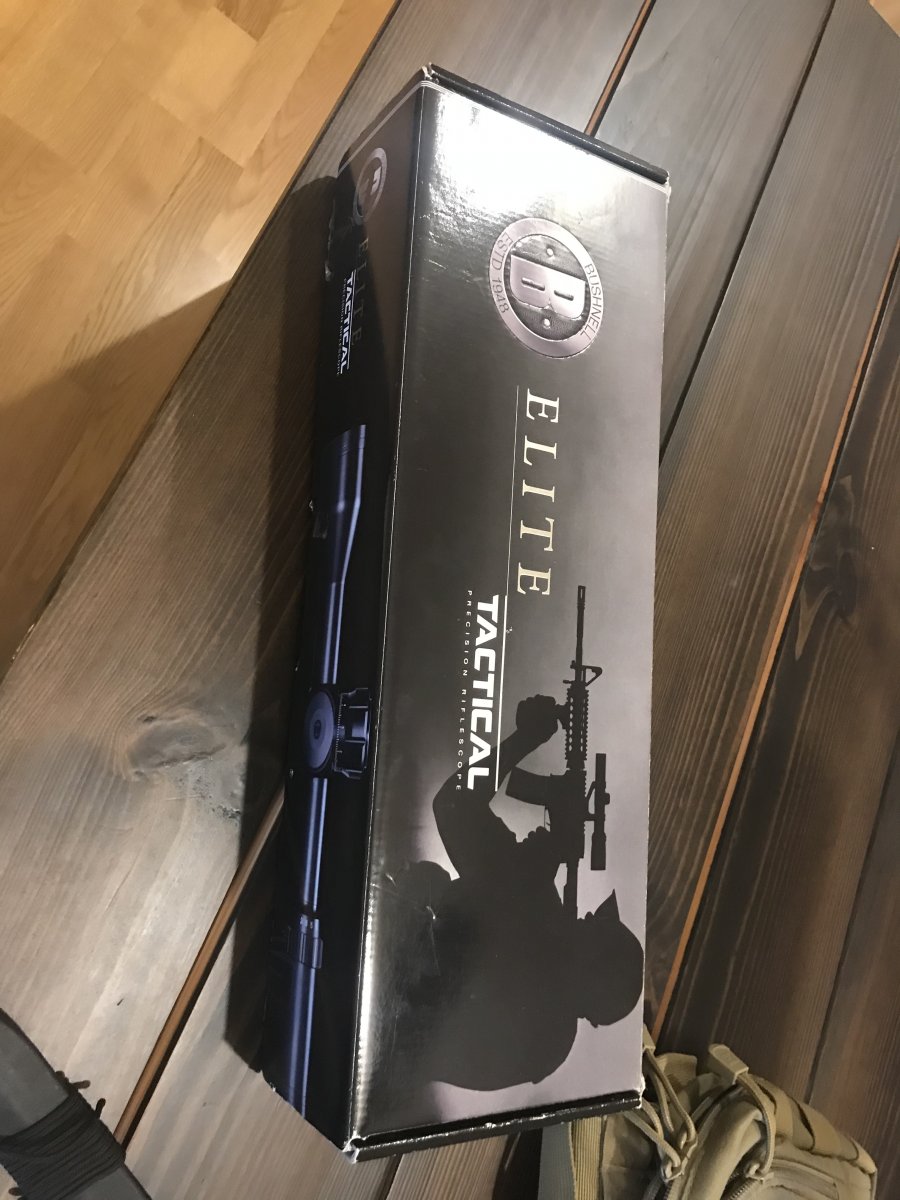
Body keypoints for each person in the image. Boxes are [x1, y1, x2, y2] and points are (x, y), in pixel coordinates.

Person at [379, 694, 644, 1100]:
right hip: (377, 966)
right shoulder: (534, 901)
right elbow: (454, 804)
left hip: (376, 1020)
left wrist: (539, 862)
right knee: (428, 879)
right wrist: (524, 739)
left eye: (595, 929)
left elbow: (477, 970)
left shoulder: (549, 1034)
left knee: (428, 881)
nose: (588, 916)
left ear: (593, 973)